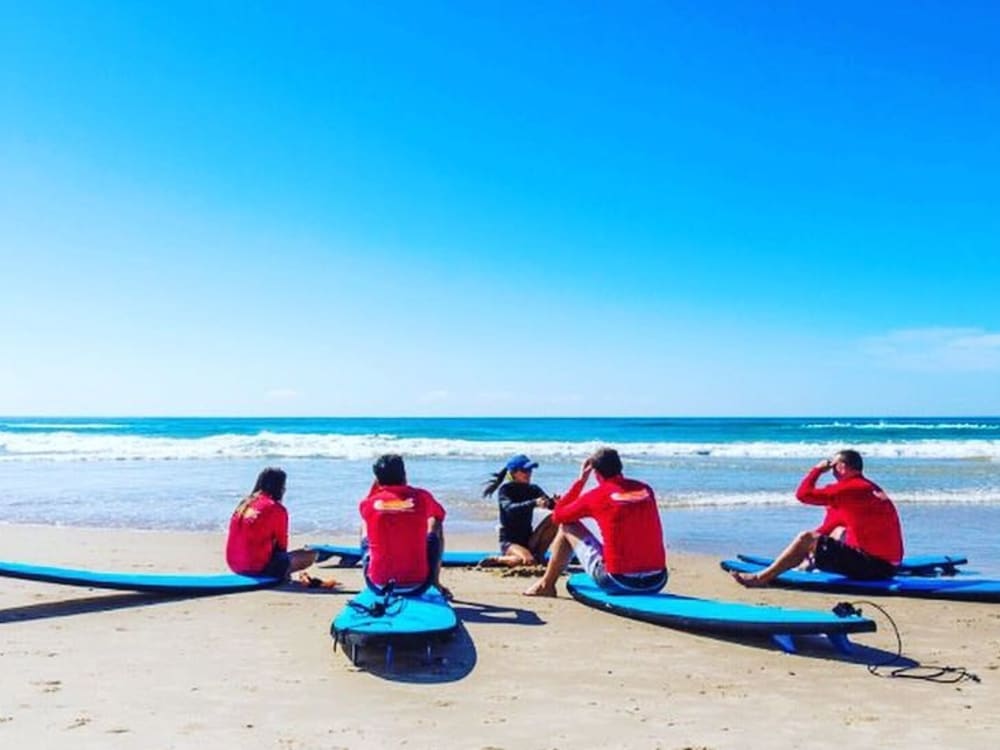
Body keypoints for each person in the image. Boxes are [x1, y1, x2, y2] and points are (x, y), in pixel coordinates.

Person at [732, 450, 904, 587]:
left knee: (806, 537)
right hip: (887, 566)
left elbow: (803, 494)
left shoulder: (849, 489)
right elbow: (830, 527)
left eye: (833, 465)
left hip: (876, 567)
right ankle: (806, 564)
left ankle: (761, 578)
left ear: (842, 466)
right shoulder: (868, 487)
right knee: (837, 532)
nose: (831, 470)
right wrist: (803, 551)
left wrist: (817, 470)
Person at [524, 447, 667, 597]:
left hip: (619, 582)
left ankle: (546, 585)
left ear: (596, 473)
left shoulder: (596, 497)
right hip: (658, 580)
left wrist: (580, 481)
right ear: (620, 467)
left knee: (567, 525)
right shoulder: (645, 489)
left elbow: (558, 516)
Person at [359, 453, 452, 599]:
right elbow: (440, 515)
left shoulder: (368, 503)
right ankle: (435, 581)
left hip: (377, 585)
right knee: (436, 522)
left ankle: (376, 568)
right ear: (404, 474)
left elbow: (368, 504)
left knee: (365, 521)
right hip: (419, 584)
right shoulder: (422, 496)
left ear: (377, 479)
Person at [226, 467, 319, 578]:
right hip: (257, 568)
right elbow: (282, 546)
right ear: (280, 487)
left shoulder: (245, 503)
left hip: (234, 565)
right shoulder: (276, 508)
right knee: (311, 554)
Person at [478, 454, 559, 567]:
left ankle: (540, 556)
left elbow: (551, 505)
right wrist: (533, 503)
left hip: (529, 539)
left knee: (556, 517)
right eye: (524, 470)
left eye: (530, 470)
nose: (529, 473)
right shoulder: (506, 490)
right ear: (513, 473)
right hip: (510, 542)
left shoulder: (533, 489)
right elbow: (510, 509)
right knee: (527, 561)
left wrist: (556, 502)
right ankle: (497, 559)